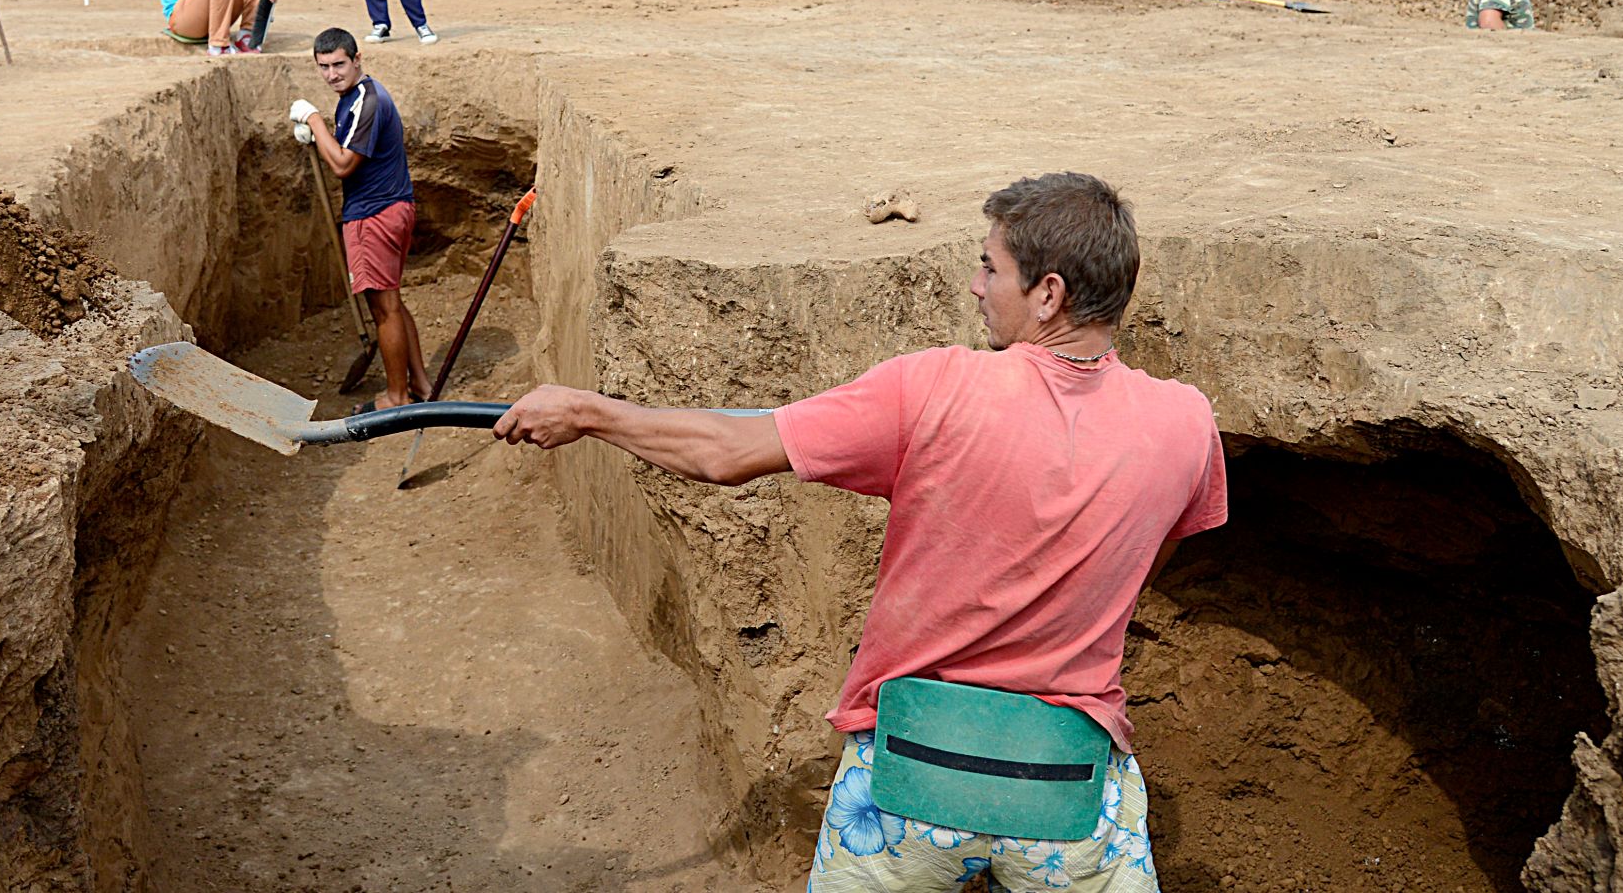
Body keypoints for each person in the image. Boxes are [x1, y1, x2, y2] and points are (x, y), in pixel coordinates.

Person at [493, 172, 1228, 892]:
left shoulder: (934, 388)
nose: (976, 285)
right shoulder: (1187, 423)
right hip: (1067, 797)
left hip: (908, 786)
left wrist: (589, 413)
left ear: (1049, 293)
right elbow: (1146, 562)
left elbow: (725, 453)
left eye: (990, 266)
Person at [291, 28, 435, 410]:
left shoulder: (366, 103)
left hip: (375, 216)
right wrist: (320, 136)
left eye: (339, 64)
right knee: (393, 302)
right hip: (392, 208)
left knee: (384, 309)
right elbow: (345, 149)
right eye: (324, 67)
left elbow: (342, 165)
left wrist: (314, 120)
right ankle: (421, 385)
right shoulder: (359, 97)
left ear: (357, 60)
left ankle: (396, 397)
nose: (332, 74)